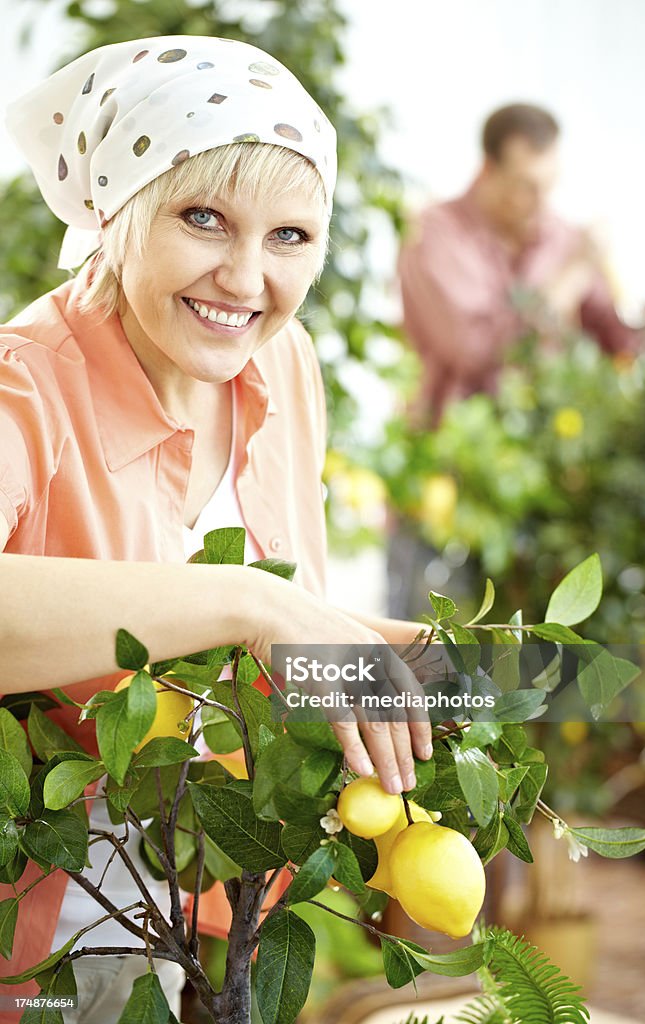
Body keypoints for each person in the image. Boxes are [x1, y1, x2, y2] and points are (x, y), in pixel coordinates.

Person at [0, 36, 431, 1020]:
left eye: (289, 236)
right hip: (38, 946)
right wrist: (246, 599)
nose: (245, 279)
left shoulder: (283, 364)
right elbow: (258, 604)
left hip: (213, 919)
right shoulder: (24, 382)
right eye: (204, 218)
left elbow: (291, 617)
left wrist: (411, 670)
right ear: (115, 210)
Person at [398, 102, 645, 426]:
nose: (543, 202)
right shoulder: (434, 232)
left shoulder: (561, 237)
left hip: (552, 446)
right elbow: (476, 354)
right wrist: (571, 276)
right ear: (487, 170)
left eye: (549, 185)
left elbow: (620, 342)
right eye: (527, 187)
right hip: (450, 445)